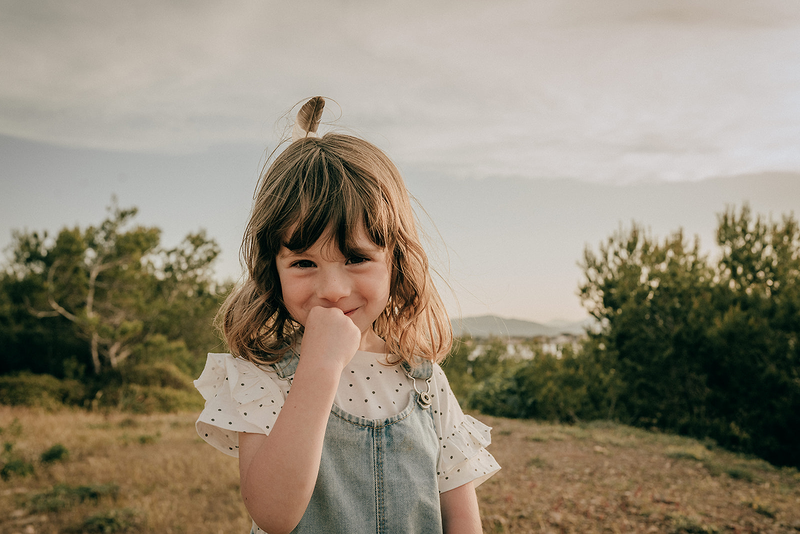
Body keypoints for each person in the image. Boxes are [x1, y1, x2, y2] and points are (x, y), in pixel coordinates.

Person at [194, 96, 499, 534]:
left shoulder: (425, 381)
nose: (333, 291)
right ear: (271, 268)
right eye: (303, 263)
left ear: (395, 260)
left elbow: (462, 518)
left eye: (356, 258)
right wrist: (320, 366)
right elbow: (273, 515)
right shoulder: (262, 377)